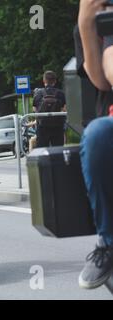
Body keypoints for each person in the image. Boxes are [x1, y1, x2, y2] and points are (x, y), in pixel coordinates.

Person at [76, 0, 113, 290]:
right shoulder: (101, 20)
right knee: (98, 133)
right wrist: (87, 24)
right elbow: (103, 78)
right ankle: (108, 241)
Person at [32, 71, 67, 148]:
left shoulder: (38, 93)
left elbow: (34, 109)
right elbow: (64, 109)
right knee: (58, 150)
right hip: (57, 127)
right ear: (55, 81)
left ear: (44, 80)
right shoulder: (61, 93)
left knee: (42, 150)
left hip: (42, 127)